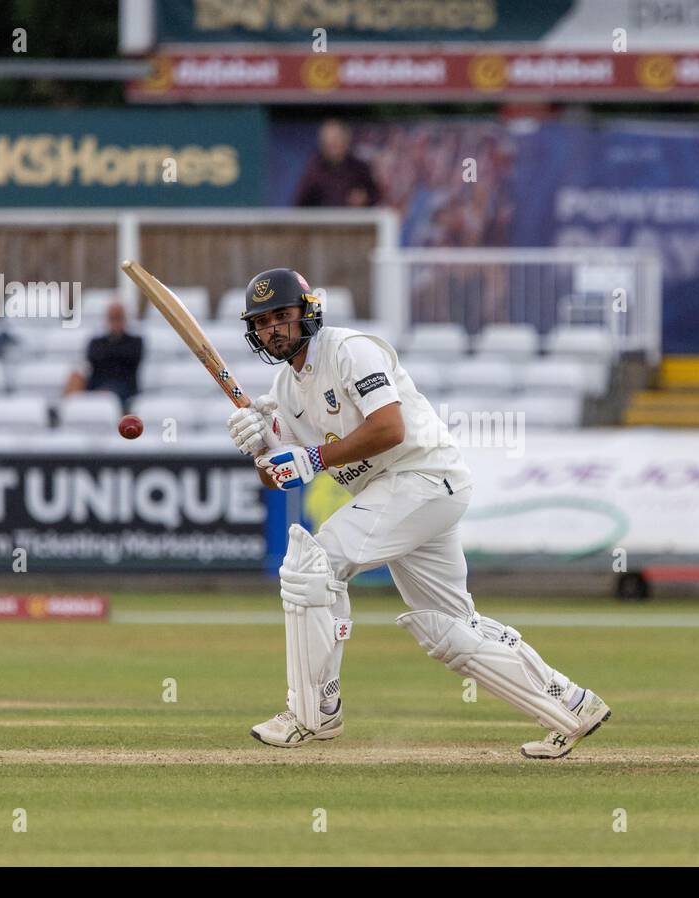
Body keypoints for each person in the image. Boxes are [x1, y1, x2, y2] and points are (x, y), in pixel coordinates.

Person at [225, 268, 609, 759]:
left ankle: (312, 712)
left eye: (283, 316)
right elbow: (280, 474)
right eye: (263, 322)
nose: (274, 328)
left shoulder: (349, 350)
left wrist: (316, 457)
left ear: (308, 312)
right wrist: (261, 446)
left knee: (312, 563)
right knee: (448, 628)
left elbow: (390, 428)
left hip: (423, 477)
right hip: (402, 494)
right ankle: (571, 705)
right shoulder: (284, 389)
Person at [63, 302, 143, 408]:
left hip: (123, 385)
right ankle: (66, 412)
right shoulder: (96, 341)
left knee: (107, 393)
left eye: (118, 318)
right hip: (97, 382)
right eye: (112, 318)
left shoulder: (135, 342)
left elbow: (129, 359)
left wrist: (109, 351)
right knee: (75, 378)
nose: (115, 322)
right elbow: (92, 359)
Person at [292, 119, 381, 208]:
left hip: (354, 219)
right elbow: (300, 203)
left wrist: (364, 199)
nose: (331, 146)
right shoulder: (314, 169)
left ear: (346, 140)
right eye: (327, 143)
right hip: (322, 220)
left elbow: (376, 197)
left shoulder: (360, 168)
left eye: (335, 141)